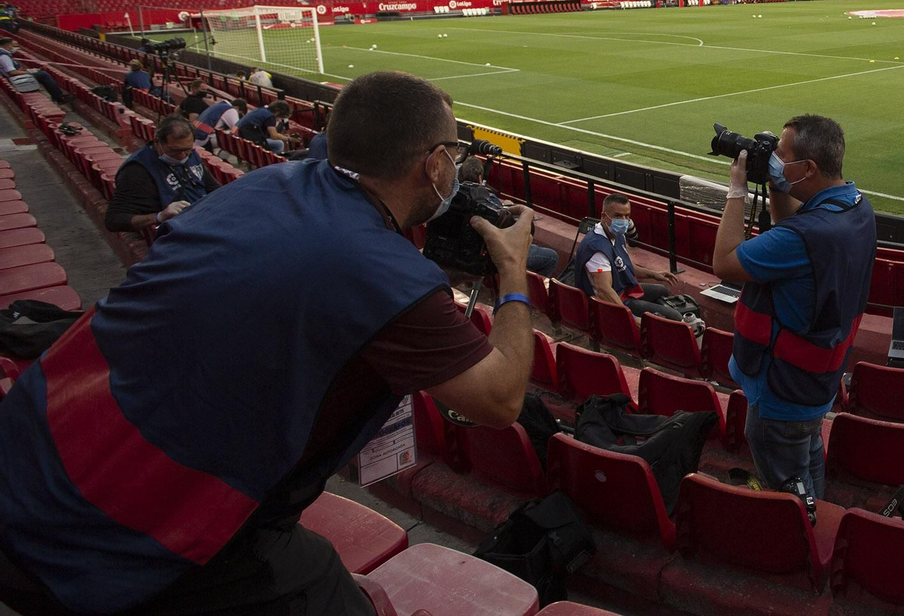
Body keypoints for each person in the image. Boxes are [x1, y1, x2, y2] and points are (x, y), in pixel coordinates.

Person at [0, 71, 539, 615]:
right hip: (107, 524)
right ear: (434, 163)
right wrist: (512, 269)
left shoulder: (267, 185)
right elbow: (499, 401)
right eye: (451, 149)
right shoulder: (378, 273)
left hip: (40, 437)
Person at [711, 115, 875, 499]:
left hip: (781, 387)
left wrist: (737, 190)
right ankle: (812, 497)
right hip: (817, 379)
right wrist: (775, 182)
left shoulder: (804, 237)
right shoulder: (857, 209)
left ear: (808, 168)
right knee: (807, 445)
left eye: (781, 156)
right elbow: (791, 223)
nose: (774, 160)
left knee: (784, 477)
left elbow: (724, 262)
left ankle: (798, 526)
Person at [574, 194, 687, 320]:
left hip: (622, 289)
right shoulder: (597, 249)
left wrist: (653, 274)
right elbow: (604, 290)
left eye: (627, 216)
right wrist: (631, 318)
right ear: (604, 216)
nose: (623, 220)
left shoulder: (617, 234)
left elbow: (624, 264)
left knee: (663, 290)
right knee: (675, 317)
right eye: (618, 216)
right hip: (613, 300)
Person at [104, 114, 219, 233]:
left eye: (187, 149)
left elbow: (215, 189)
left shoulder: (191, 155)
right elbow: (114, 220)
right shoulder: (137, 170)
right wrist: (159, 216)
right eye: (174, 150)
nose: (182, 156)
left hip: (203, 220)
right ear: (157, 142)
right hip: (179, 234)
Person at [460, 156, 558, 278]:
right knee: (552, 257)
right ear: (480, 178)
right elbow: (505, 224)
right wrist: (506, 206)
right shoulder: (487, 199)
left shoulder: (459, 197)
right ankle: (534, 288)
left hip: (475, 251)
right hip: (498, 252)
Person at [0, 37, 67, 106]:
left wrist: (30, 70)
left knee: (40, 72)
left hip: (15, 76)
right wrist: (29, 72)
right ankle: (59, 97)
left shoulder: (5, 54)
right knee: (43, 74)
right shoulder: (4, 57)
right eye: (14, 46)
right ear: (8, 45)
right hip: (14, 79)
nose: (17, 48)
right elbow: (12, 72)